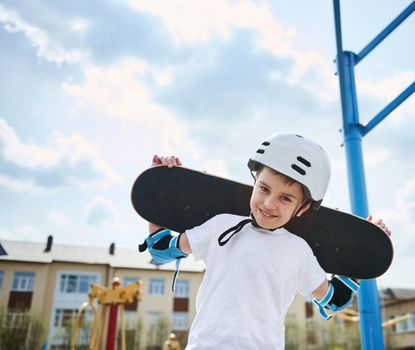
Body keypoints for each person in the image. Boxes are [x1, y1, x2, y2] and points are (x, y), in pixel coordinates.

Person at [143, 133, 391, 349]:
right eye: (264, 189)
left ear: (302, 208)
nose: (269, 204)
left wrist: (363, 255)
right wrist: (163, 190)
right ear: (254, 181)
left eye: (285, 198)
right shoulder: (221, 225)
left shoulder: (298, 251)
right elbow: (161, 250)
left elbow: (334, 300)